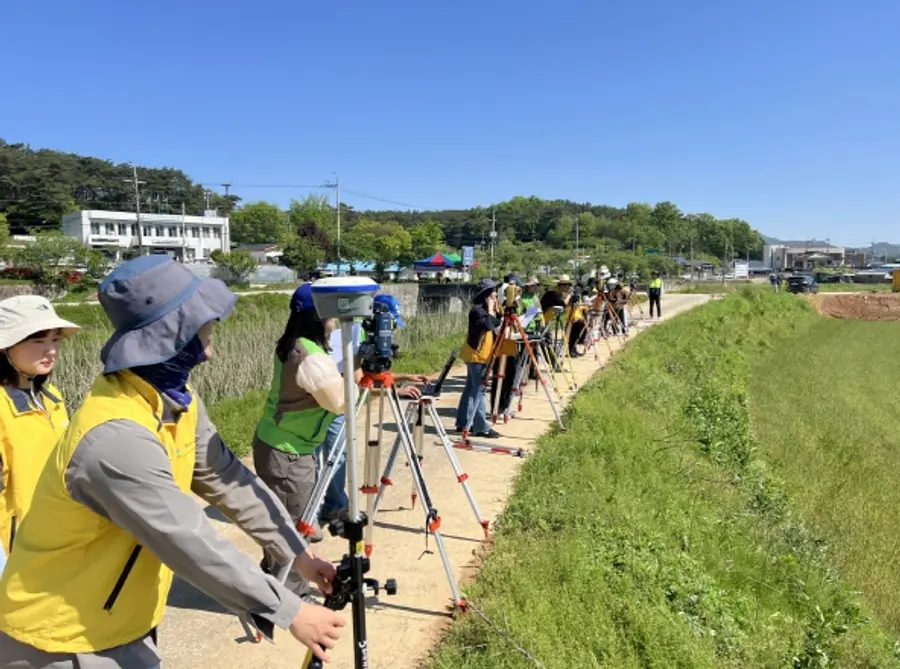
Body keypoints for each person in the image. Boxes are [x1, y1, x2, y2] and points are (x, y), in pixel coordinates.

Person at [0, 256, 344, 668]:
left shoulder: (176, 401)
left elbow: (228, 478)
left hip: (121, 617)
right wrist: (290, 610)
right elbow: (186, 538)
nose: (213, 334)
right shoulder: (116, 436)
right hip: (62, 638)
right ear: (177, 331)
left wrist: (296, 553)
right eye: (205, 320)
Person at [254, 286, 427, 592]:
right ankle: (291, 596)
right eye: (330, 316)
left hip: (281, 443)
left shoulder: (295, 344)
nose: (334, 322)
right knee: (292, 530)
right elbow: (341, 402)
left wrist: (362, 365)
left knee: (286, 522)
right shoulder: (311, 357)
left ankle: (272, 579)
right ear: (317, 317)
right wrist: (362, 367)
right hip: (288, 451)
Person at [0, 296, 80, 573]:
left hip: (57, 541)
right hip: (17, 553)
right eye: (37, 341)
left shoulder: (51, 397)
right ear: (5, 347)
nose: (51, 350)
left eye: (55, 340)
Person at [456, 279, 501, 438]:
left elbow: (497, 322)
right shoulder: (477, 311)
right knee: (479, 390)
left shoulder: (485, 310)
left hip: (479, 355)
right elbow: (488, 325)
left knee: (470, 389)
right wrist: (491, 309)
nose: (496, 295)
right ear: (486, 295)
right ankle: (481, 427)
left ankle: (463, 422)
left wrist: (496, 309)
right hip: (476, 356)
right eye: (494, 293)